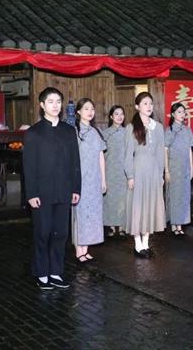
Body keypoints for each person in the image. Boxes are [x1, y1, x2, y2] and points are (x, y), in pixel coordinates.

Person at [23, 87, 80, 290]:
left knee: (61, 233)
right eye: (50, 102)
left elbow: (75, 163)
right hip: (42, 192)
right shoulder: (33, 133)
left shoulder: (69, 131)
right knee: (43, 232)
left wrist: (76, 189)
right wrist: (31, 193)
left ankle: (56, 271)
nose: (55, 106)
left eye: (58, 101)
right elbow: (28, 166)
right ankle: (41, 273)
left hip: (64, 190)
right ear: (42, 105)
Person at [124, 92, 166, 258]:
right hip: (138, 171)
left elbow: (160, 153)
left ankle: (146, 243)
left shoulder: (158, 127)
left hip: (154, 171)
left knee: (150, 205)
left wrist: (161, 174)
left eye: (150, 103)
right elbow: (128, 154)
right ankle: (137, 244)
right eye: (145, 103)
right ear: (137, 106)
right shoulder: (131, 128)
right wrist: (130, 176)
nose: (149, 107)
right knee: (137, 207)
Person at [72, 98, 107, 262]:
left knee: (92, 214)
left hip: (94, 179)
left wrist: (103, 180)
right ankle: (79, 250)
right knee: (80, 214)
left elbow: (101, 157)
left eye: (92, 109)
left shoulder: (96, 132)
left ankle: (85, 249)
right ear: (78, 112)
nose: (90, 112)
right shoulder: (74, 132)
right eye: (86, 109)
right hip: (81, 179)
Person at [165, 103, 193, 236]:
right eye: (179, 112)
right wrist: (167, 170)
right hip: (173, 168)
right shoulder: (169, 130)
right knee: (174, 196)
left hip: (185, 168)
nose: (182, 114)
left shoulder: (187, 130)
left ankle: (180, 224)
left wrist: (192, 168)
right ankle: (174, 224)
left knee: (184, 196)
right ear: (173, 114)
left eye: (183, 112)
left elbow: (189, 150)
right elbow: (165, 150)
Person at [102, 105, 127, 237]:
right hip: (110, 170)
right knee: (110, 199)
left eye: (121, 114)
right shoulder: (105, 133)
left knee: (123, 199)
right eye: (116, 114)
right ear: (111, 117)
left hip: (124, 171)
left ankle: (122, 226)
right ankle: (111, 226)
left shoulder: (128, 132)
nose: (119, 116)